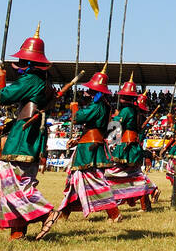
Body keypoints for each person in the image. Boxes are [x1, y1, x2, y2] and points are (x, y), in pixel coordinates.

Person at [0, 25, 56, 240]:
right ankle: (17, 232)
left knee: (15, 181)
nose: (18, 66)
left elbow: (3, 96)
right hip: (26, 130)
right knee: (23, 180)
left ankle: (46, 212)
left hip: (23, 137)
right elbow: (26, 109)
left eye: (22, 63)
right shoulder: (44, 82)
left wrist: (0, 78)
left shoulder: (29, 80)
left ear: (29, 64)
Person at [41, 70, 121, 236]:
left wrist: (75, 109)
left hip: (89, 148)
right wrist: (77, 139)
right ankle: (64, 213)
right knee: (76, 181)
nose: (88, 93)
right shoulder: (103, 105)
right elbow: (91, 127)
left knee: (92, 180)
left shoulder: (97, 106)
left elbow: (78, 118)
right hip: (87, 144)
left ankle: (114, 213)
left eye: (91, 91)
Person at [104, 77, 159, 211]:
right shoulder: (134, 110)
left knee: (110, 174)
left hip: (127, 147)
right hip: (132, 146)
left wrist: (109, 137)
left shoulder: (127, 110)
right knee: (136, 176)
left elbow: (116, 125)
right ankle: (146, 202)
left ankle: (111, 204)